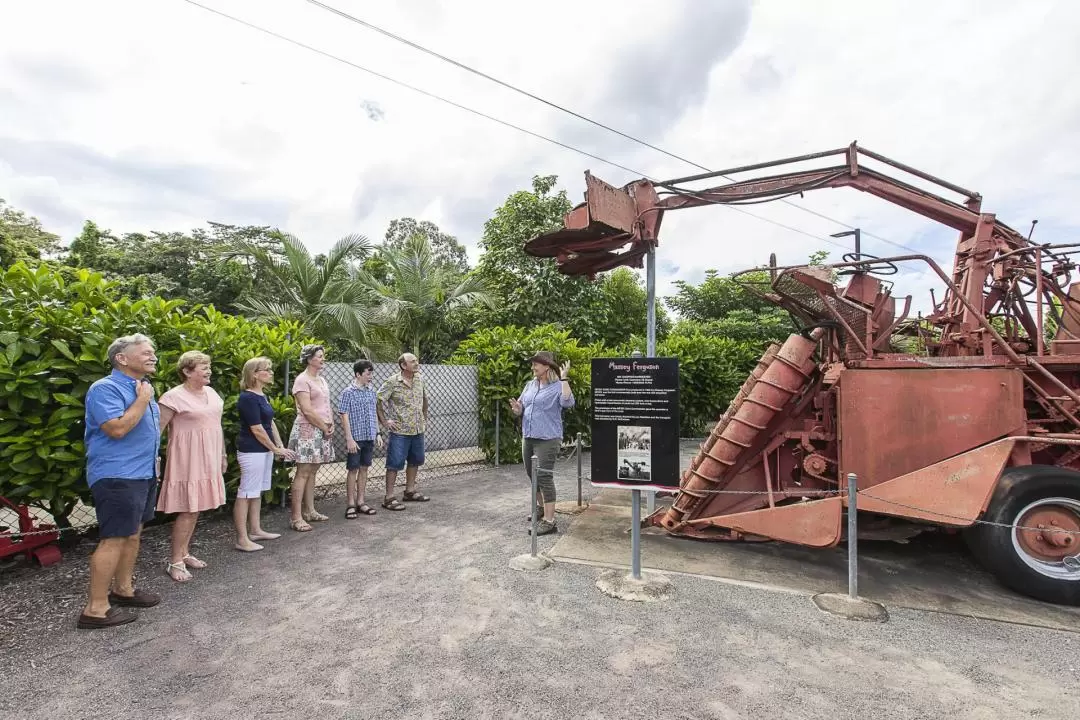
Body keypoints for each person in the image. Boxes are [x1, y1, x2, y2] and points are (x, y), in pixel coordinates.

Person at [78, 333, 163, 629]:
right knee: (113, 538)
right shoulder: (105, 388)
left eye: (153, 352)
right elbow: (116, 429)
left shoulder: (143, 387)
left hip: (142, 473)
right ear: (121, 358)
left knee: (133, 533)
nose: (153, 356)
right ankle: (95, 609)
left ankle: (123, 590)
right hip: (118, 474)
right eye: (146, 352)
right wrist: (142, 400)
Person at [156, 351, 227, 582]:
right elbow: (156, 431)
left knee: (195, 508)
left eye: (209, 366)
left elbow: (217, 426)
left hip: (209, 457)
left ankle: (185, 553)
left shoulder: (212, 392)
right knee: (188, 509)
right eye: (203, 367)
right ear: (187, 371)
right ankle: (175, 561)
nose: (209, 371)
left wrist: (223, 454)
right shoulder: (172, 397)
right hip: (187, 459)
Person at [509, 351, 575, 536]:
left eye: (536, 364)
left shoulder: (557, 387)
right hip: (528, 436)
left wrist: (564, 379)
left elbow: (568, 402)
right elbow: (523, 407)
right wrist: (517, 409)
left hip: (548, 439)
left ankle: (549, 521)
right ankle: (540, 508)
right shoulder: (530, 384)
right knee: (532, 474)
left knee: (544, 477)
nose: (533, 367)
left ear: (546, 366)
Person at [234, 356, 296, 551]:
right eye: (266, 370)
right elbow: (257, 429)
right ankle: (242, 538)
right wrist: (275, 448)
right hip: (252, 451)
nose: (270, 373)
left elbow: (270, 423)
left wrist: (278, 445)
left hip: (264, 450)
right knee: (245, 493)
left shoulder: (262, 396)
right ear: (254, 374)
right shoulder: (247, 397)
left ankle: (255, 530)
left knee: (256, 491)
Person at [287, 344, 334, 531]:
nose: (322, 359)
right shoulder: (302, 380)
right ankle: (296, 517)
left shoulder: (321, 380)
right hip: (308, 429)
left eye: (323, 356)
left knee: (313, 471)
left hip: (322, 429)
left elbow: (324, 405)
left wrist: (328, 425)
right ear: (309, 359)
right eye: (319, 356)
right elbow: (306, 410)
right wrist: (323, 426)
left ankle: (310, 511)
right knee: (303, 472)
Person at [377, 352, 430, 510]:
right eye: (412, 361)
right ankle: (389, 497)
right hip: (400, 431)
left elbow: (425, 399)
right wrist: (385, 421)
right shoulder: (392, 382)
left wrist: (424, 417)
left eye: (416, 360)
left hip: (417, 429)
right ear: (403, 365)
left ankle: (410, 491)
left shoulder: (420, 379)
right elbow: (379, 400)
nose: (416, 363)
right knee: (394, 463)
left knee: (415, 460)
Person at [337, 359, 384, 518]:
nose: (371, 376)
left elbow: (374, 413)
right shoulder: (347, 392)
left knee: (364, 468)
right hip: (355, 438)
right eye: (368, 373)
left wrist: (378, 433)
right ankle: (350, 504)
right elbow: (344, 415)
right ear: (358, 374)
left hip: (369, 436)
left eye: (371, 373)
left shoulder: (371, 391)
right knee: (353, 469)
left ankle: (361, 502)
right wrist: (349, 438)